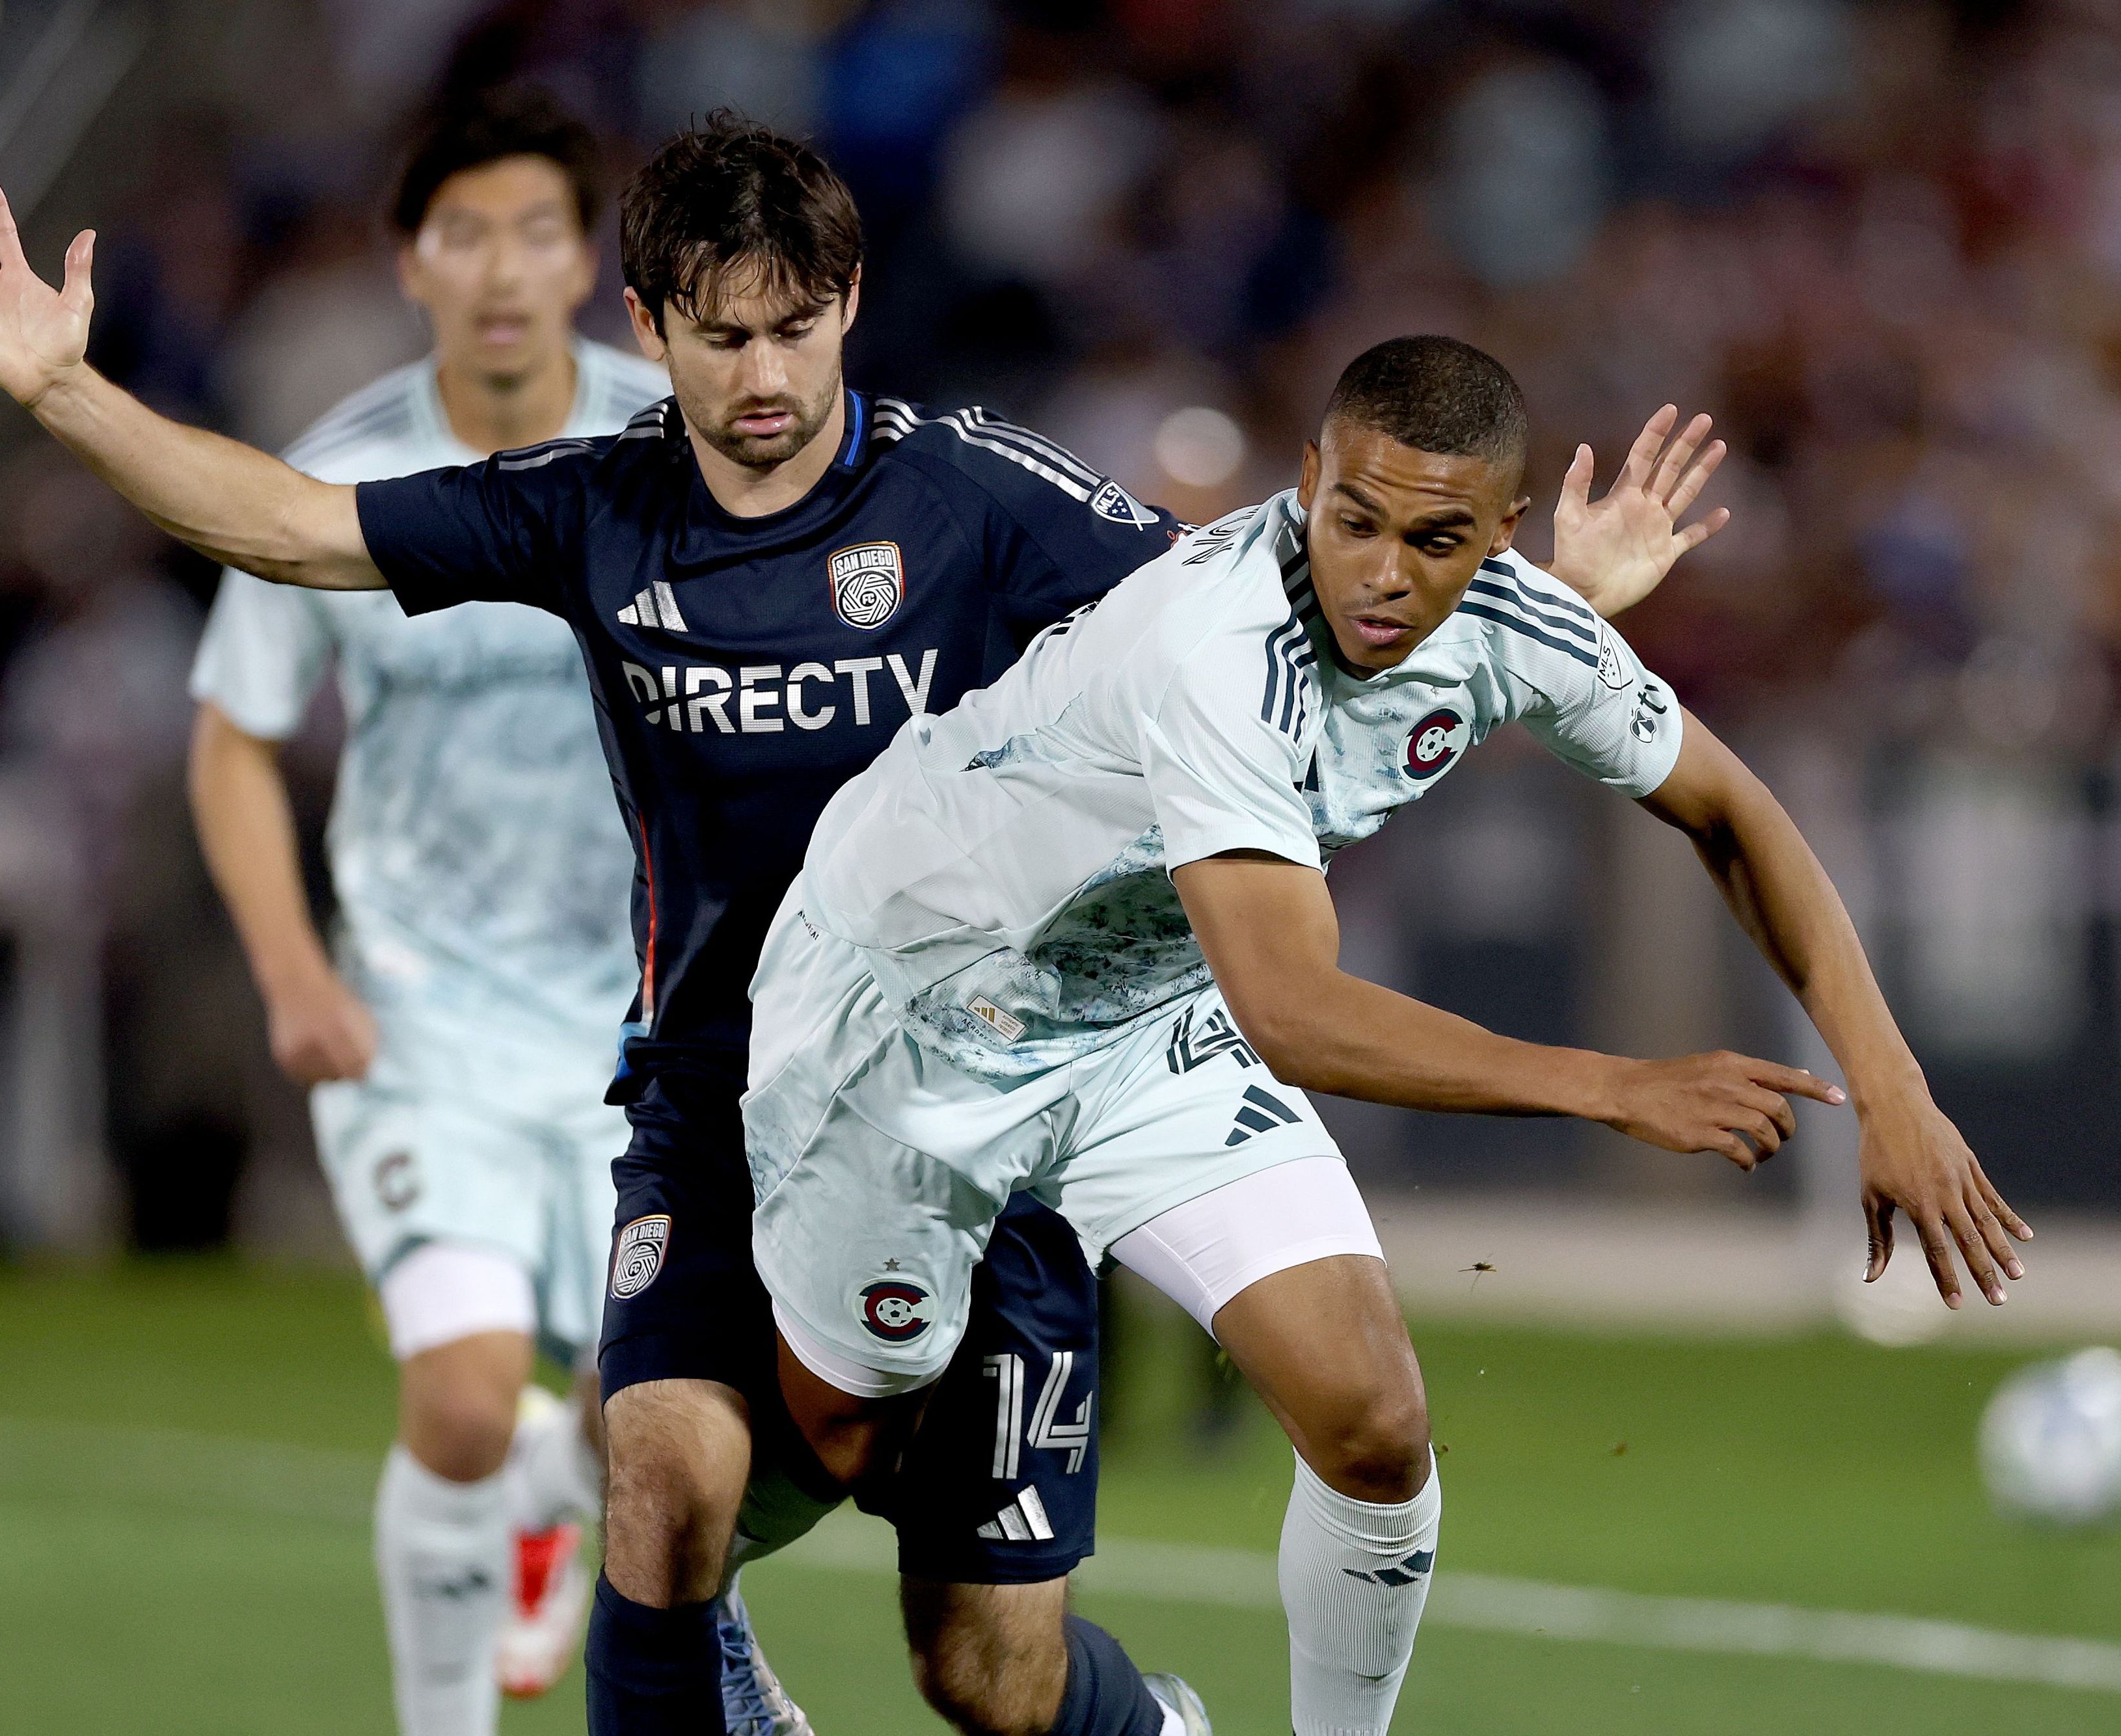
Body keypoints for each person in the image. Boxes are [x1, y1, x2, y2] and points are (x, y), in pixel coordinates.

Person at [0, 123, 1695, 1736]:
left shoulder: (974, 494)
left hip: (980, 1095)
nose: (761, 376)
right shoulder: (595, 504)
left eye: (793, 326)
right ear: (650, 322)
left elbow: (1264, 628)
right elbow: (293, 528)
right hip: (719, 1092)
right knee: (660, 1488)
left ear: (848, 302)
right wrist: (64, 392)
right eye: (717, 332)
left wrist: (1527, 617)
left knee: (980, 1666)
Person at [739, 334, 2036, 1735]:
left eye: (1434, 540)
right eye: (1352, 520)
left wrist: (1894, 1090)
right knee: (837, 1431)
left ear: (1498, 539)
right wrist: (1608, 1088)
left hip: (1140, 1016)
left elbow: (1733, 811)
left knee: (1372, 1425)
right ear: (1305, 480)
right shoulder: (1214, 645)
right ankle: (681, 1569)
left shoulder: (1517, 625)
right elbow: (1291, 1012)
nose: (1380, 572)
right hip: (913, 1011)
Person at [182, 90, 679, 1733]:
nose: (500, 268)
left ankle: (556, 1481)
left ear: (588, 263)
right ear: (412, 263)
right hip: (424, 1015)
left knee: (653, 1426)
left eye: (536, 230)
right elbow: (234, 742)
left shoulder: (669, 450)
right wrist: (294, 971)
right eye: (462, 233)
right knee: (460, 1404)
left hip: (647, 1020)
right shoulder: (337, 480)